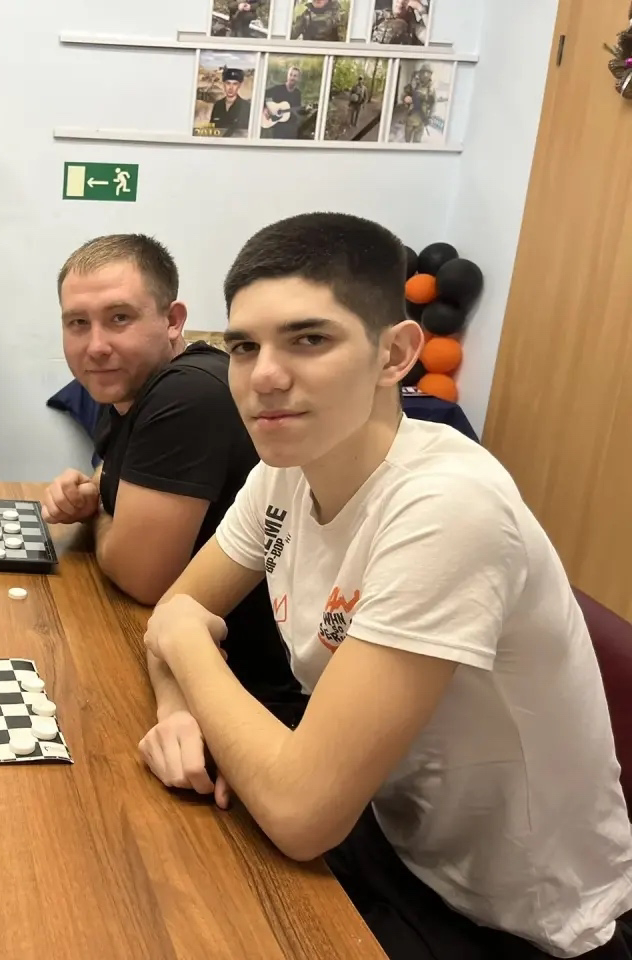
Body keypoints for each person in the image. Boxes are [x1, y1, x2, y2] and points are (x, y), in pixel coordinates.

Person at [139, 212, 632, 958]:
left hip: (523, 926)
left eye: (309, 339)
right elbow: (176, 609)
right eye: (244, 346)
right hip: (390, 841)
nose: (264, 376)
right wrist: (177, 709)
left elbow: (301, 813)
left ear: (395, 354)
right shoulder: (283, 471)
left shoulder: (448, 506)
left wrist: (185, 644)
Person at [44, 234, 306, 726]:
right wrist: (92, 492)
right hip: (177, 661)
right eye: (78, 323)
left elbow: (143, 578)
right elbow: (111, 472)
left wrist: (97, 513)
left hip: (248, 696)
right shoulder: (134, 388)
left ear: (173, 321)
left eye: (119, 318)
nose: (96, 346)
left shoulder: (187, 394)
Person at [262, 65, 305, 140]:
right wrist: (265, 108)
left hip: (291, 128)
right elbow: (263, 95)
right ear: (287, 76)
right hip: (278, 126)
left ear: (298, 78)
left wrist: (305, 110)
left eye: (295, 76)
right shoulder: (278, 89)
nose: (292, 78)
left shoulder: (297, 93)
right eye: (290, 75)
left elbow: (297, 110)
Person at [210, 67, 252, 138]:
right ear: (224, 84)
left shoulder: (246, 107)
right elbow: (212, 129)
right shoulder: (218, 105)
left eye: (235, 84)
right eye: (228, 83)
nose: (231, 88)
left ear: (239, 85)